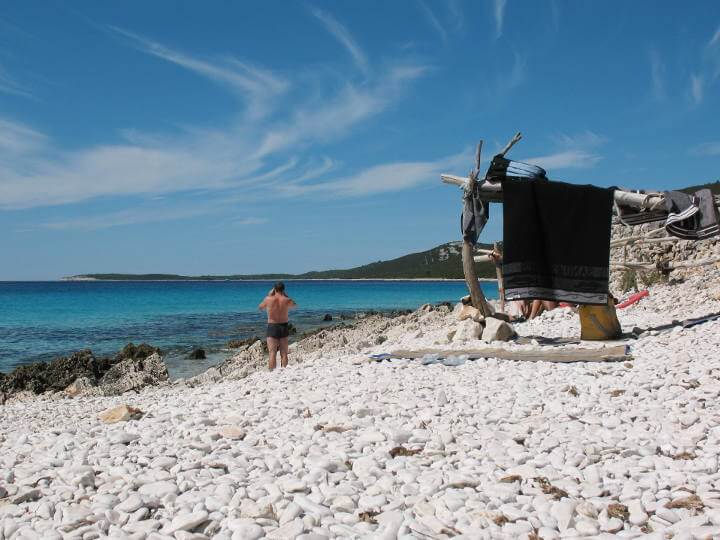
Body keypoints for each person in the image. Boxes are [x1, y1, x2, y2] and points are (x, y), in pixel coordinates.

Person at [258, 282, 297, 370]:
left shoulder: (268, 299)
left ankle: (272, 372)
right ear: (283, 290)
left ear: (274, 289)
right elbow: (294, 305)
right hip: (284, 326)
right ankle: (284, 371)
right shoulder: (287, 300)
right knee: (284, 352)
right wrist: (285, 295)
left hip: (272, 326)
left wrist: (269, 295)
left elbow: (260, 307)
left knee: (272, 352)